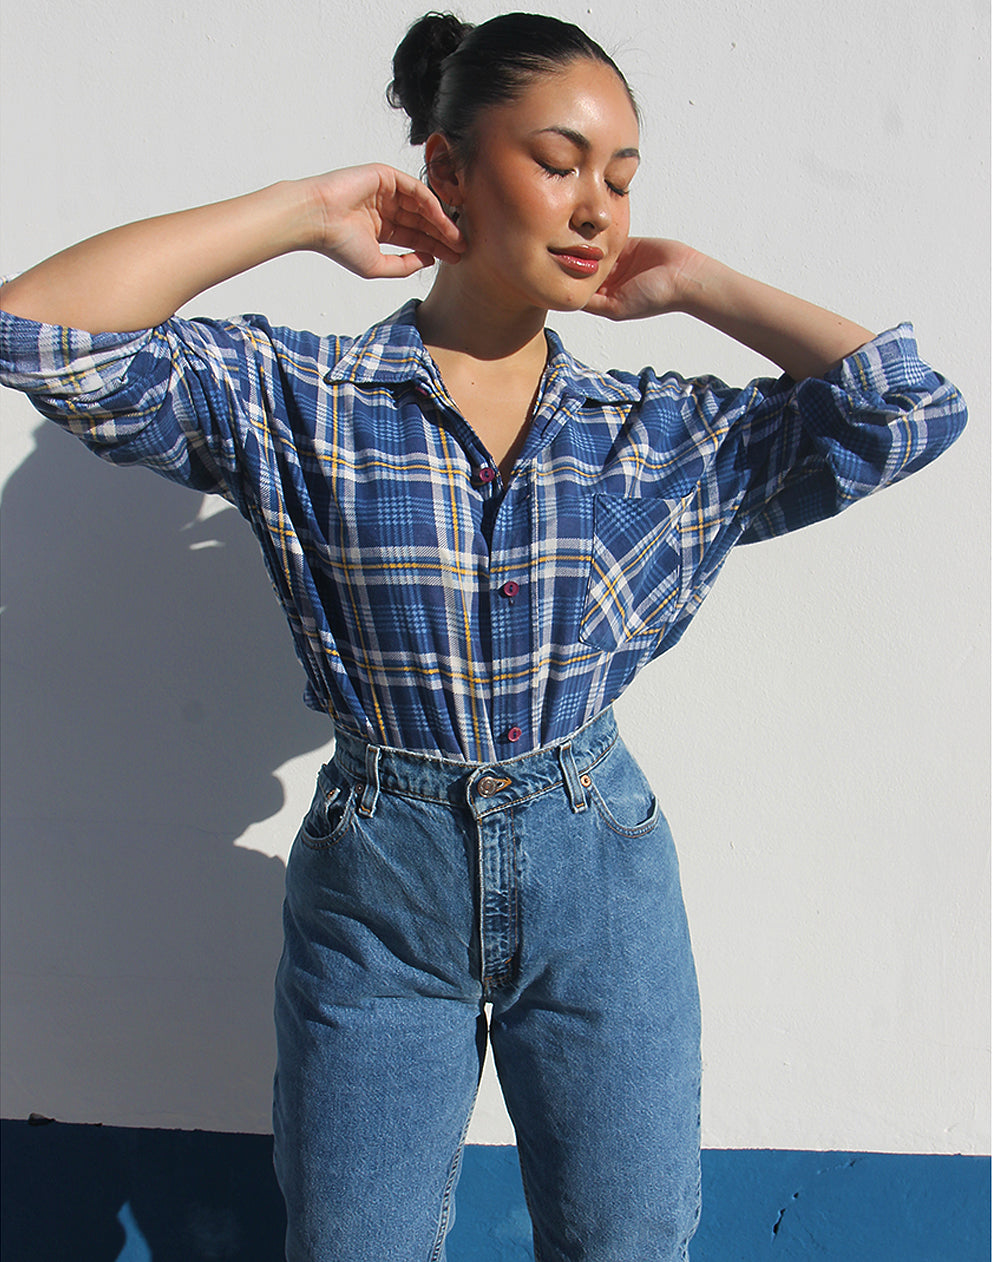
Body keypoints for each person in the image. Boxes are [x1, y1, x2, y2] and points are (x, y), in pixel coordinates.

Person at [0, 10, 967, 1261]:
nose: (595, 209)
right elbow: (41, 330)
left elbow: (906, 412)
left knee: (625, 1243)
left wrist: (698, 285)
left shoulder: (654, 432)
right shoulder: (305, 400)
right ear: (449, 170)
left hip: (596, 865)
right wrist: (305, 208)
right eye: (557, 162)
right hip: (376, 882)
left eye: (620, 179)